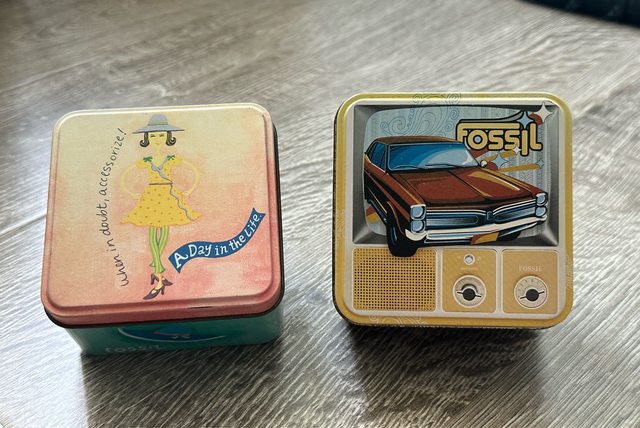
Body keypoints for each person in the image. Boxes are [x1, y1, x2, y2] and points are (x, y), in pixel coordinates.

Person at [119, 114, 200, 300]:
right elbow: (125, 176)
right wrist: (133, 194)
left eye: (161, 135)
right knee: (152, 229)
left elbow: (193, 171)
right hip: (152, 194)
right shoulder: (146, 160)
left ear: (168, 137)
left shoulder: (172, 158)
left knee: (164, 229)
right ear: (147, 138)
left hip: (167, 194)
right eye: (153, 136)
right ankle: (158, 269)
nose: (157, 139)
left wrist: (188, 191)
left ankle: (157, 269)